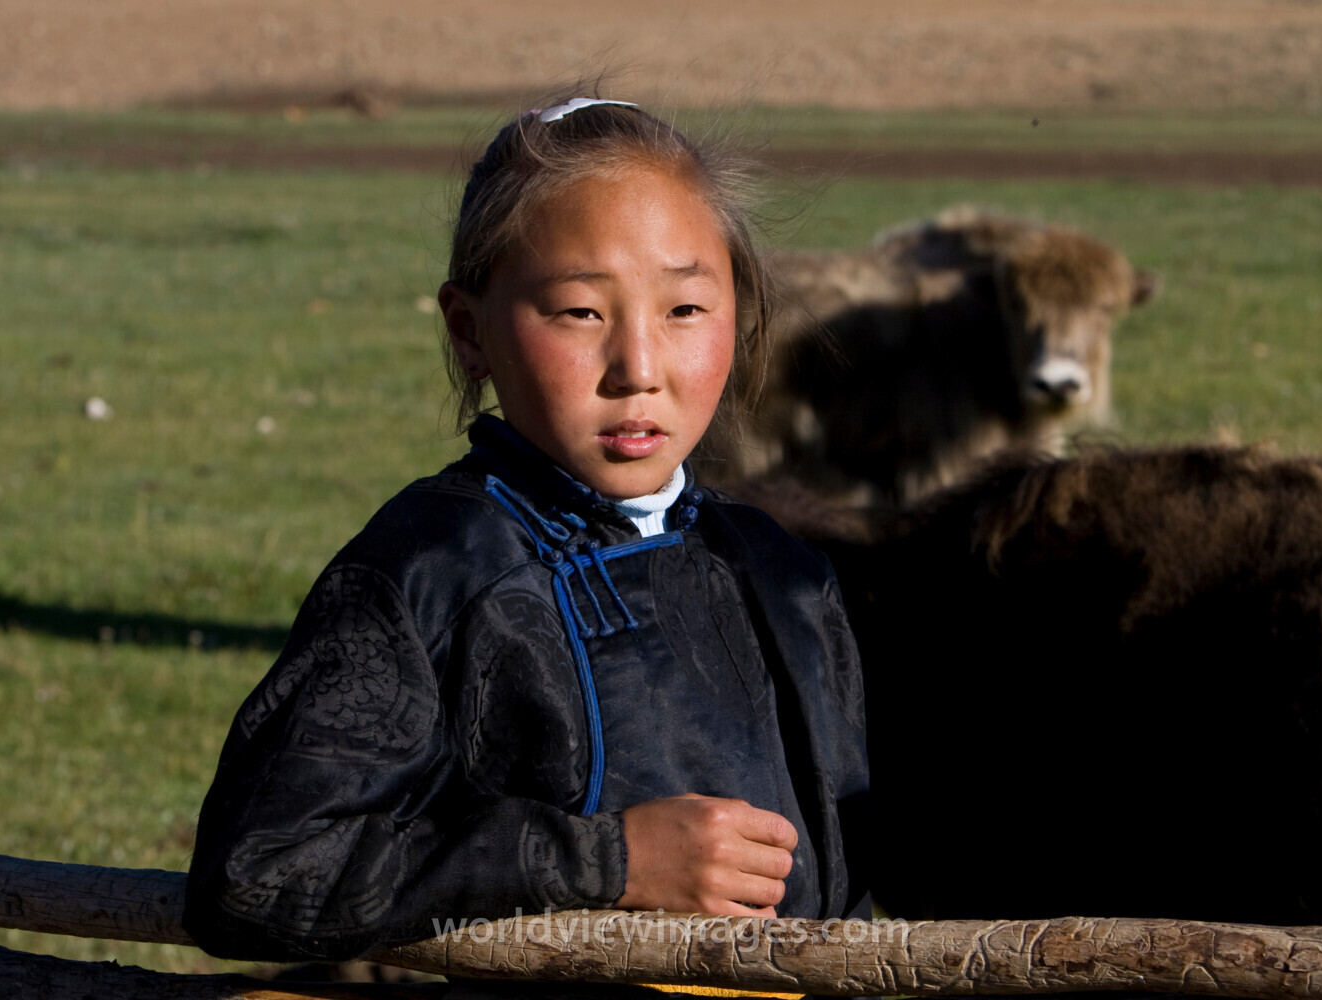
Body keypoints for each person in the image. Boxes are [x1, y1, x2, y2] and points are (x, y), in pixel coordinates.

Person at [184, 96, 870, 964]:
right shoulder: (434, 571)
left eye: (685, 311)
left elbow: (848, 891)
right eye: (581, 312)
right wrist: (606, 862)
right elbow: (254, 876)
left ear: (743, 311)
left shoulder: (783, 574)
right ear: (470, 331)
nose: (639, 369)